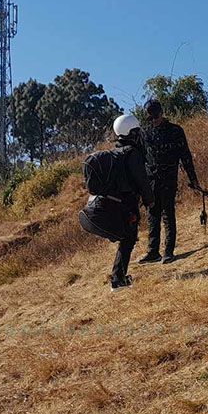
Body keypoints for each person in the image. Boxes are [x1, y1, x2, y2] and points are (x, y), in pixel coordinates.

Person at [79, 115, 154, 291]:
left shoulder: (115, 153)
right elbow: (142, 181)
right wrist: (150, 200)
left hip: (114, 203)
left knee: (125, 240)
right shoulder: (132, 153)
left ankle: (118, 278)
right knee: (128, 240)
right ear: (132, 132)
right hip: (127, 204)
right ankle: (118, 280)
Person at [139, 100, 199, 265]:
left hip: (168, 178)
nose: (153, 120)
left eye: (156, 116)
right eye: (150, 118)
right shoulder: (144, 133)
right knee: (152, 215)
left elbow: (185, 157)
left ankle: (168, 251)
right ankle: (153, 252)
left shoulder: (175, 131)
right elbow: (140, 160)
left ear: (162, 112)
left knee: (168, 213)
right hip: (151, 180)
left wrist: (193, 180)